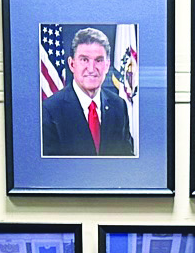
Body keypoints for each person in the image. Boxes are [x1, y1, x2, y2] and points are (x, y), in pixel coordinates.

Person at [41, 27, 134, 156]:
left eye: (99, 60)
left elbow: (127, 160)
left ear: (107, 65)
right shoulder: (50, 110)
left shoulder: (119, 105)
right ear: (72, 64)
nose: (91, 69)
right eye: (84, 60)